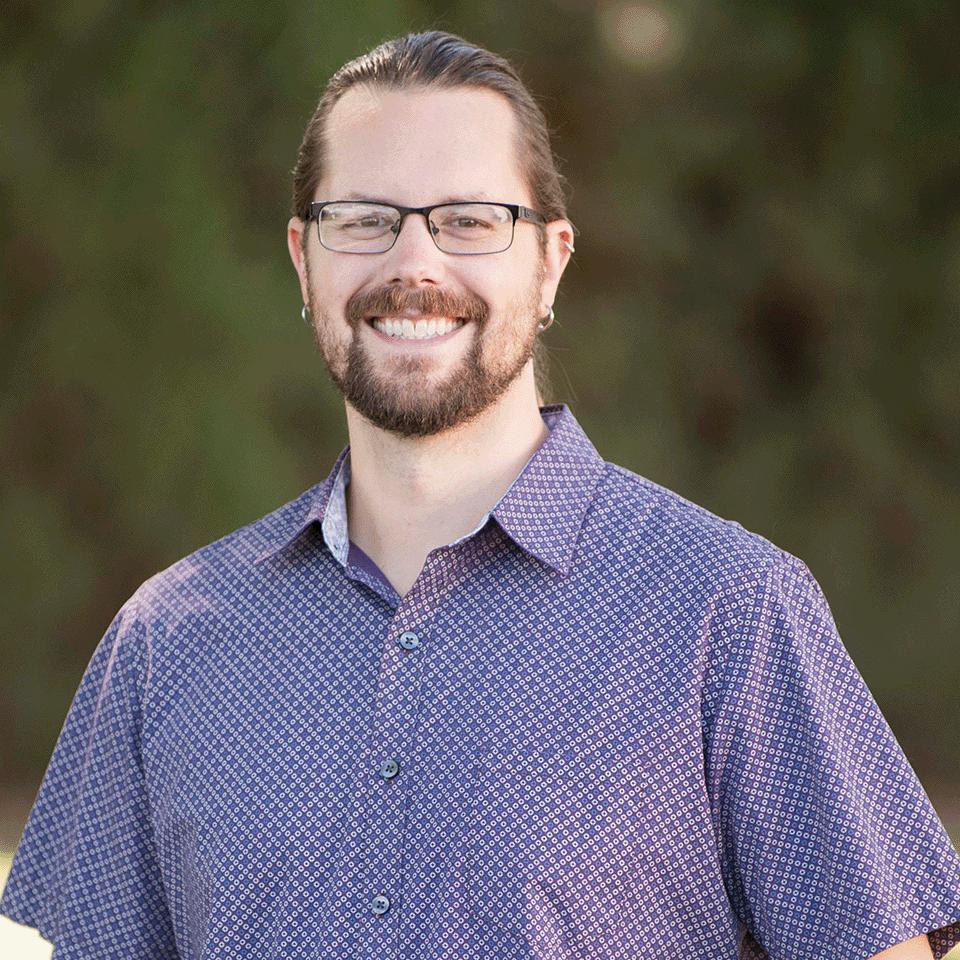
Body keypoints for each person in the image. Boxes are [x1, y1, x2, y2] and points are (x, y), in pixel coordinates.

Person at [1, 29, 959, 960]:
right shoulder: (168, 641)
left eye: (469, 219)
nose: (414, 266)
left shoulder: (729, 612)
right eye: (365, 218)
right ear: (304, 257)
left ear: (551, 261)